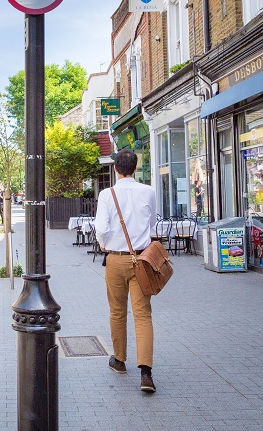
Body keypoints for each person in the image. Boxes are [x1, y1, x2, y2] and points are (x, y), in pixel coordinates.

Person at [94, 149, 158, 393]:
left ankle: (119, 360)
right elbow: (152, 223)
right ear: (135, 167)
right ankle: (146, 373)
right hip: (141, 260)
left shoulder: (107, 194)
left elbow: (101, 227)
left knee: (117, 312)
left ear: (115, 168)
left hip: (115, 260)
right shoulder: (148, 191)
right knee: (143, 315)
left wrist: (103, 244)